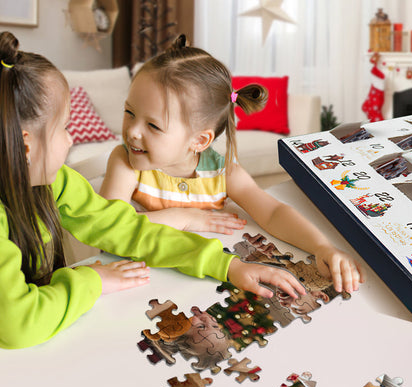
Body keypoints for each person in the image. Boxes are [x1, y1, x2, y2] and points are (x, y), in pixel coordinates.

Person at [0, 31, 305, 350]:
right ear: (25, 145)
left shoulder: (57, 182)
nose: (71, 140)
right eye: (64, 127)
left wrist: (228, 265)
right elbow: (19, 324)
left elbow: (125, 228)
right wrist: (93, 280)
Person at [100, 35, 363, 295]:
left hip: (208, 282)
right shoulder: (125, 163)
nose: (132, 131)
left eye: (153, 125)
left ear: (199, 140)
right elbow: (110, 233)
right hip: (143, 282)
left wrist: (322, 247)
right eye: (129, 112)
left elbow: (273, 213)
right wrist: (186, 218)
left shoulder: (223, 171)